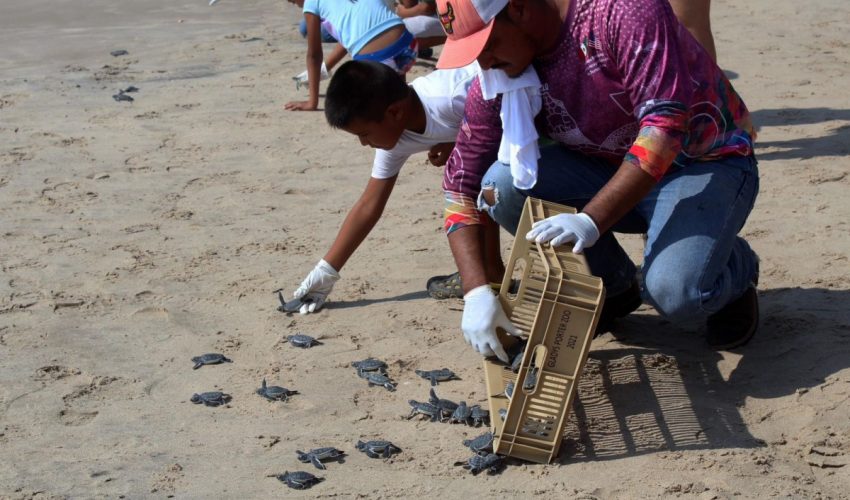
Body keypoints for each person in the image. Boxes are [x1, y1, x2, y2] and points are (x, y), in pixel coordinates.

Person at [434, 0, 759, 362]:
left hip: (701, 163)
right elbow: (460, 183)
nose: (484, 63)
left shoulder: (621, 11)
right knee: (501, 186)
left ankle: (735, 271)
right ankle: (614, 284)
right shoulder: (503, 76)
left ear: (521, 9)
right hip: (612, 171)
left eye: (487, 47)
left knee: (678, 294)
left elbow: (664, 128)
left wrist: (590, 220)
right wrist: (476, 292)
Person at [285, 60, 484, 314]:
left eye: (365, 134)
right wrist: (326, 271)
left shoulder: (450, 98)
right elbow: (369, 204)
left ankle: (488, 273)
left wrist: (461, 143)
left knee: (468, 176)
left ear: (395, 112)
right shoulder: (395, 134)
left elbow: (510, 123)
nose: (363, 144)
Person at [285, 0, 419, 111]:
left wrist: (312, 102)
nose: (290, 2)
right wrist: (324, 69)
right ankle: (402, 92)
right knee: (394, 73)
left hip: (379, 61)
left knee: (356, 102)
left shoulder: (311, 3)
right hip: (409, 45)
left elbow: (314, 55)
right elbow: (350, 41)